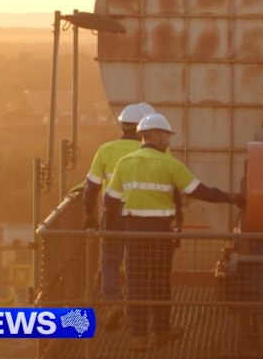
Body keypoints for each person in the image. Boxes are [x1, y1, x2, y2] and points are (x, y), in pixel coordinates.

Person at [104, 113, 246, 351]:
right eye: (167, 136)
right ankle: (161, 331)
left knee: (136, 283)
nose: (169, 142)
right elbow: (200, 192)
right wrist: (233, 198)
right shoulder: (169, 164)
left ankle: (138, 337)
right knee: (159, 281)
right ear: (157, 136)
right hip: (160, 232)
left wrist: (111, 234)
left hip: (134, 232)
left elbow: (110, 202)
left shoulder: (125, 163)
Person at [82, 102, 155, 329]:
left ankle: (113, 302)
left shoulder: (106, 150)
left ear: (122, 125)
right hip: (142, 216)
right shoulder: (155, 152)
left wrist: (88, 215)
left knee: (110, 260)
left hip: (112, 213)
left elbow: (92, 186)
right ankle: (136, 310)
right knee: (139, 264)